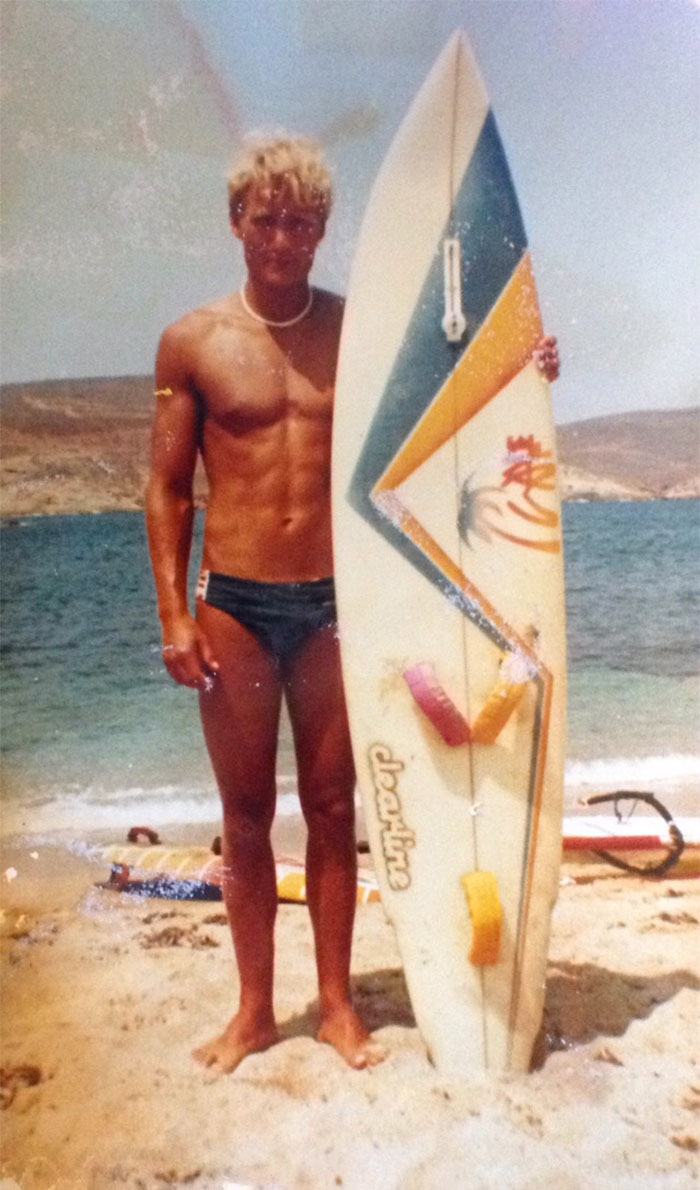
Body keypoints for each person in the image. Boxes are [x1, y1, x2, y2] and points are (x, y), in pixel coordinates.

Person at [145, 134, 559, 1075]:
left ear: (323, 228)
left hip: (340, 602)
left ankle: (336, 1005)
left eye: (301, 222)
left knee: (333, 807)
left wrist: (529, 363)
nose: (284, 239)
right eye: (266, 220)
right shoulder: (193, 341)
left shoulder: (363, 328)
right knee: (244, 813)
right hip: (236, 605)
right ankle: (254, 1011)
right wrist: (173, 613)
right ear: (236, 223)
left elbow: (464, 389)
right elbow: (166, 489)